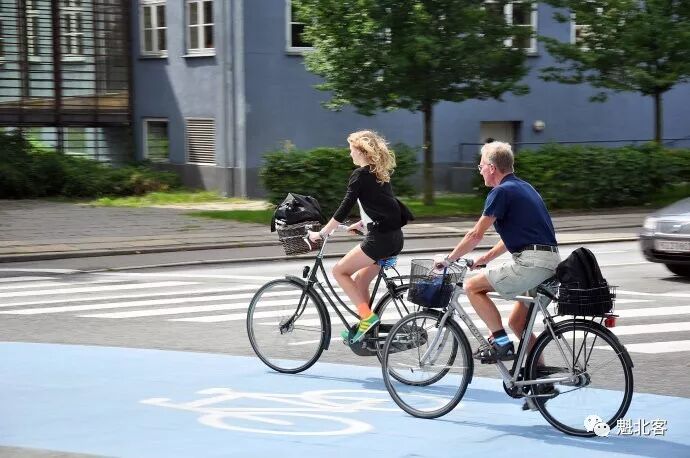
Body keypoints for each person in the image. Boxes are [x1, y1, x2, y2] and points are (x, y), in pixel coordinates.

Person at [437, 141, 560, 367]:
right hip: (550, 264)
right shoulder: (525, 187)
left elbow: (475, 234)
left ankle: (501, 343)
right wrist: (484, 259)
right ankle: (538, 376)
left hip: (531, 265)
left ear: (492, 168)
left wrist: (448, 260)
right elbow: (514, 236)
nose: (480, 170)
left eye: (481, 166)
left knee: (472, 287)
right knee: (518, 323)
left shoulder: (500, 192)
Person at [308, 130, 410, 344]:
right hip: (394, 237)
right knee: (360, 280)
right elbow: (383, 205)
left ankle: (367, 317)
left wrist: (322, 233)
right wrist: (363, 223)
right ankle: (367, 329)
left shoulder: (361, 174)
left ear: (362, 151)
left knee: (339, 271)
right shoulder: (379, 173)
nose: (350, 154)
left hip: (380, 240)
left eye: (351, 149)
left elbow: (344, 207)